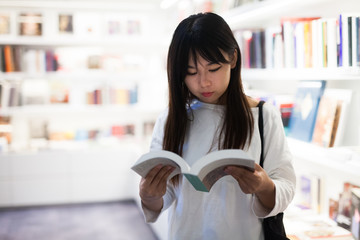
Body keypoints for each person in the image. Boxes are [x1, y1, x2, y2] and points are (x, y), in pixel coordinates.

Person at [138, 12, 296, 240]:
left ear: (233, 58)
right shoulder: (172, 119)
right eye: (191, 72)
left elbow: (286, 188)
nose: (204, 82)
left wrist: (263, 186)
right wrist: (149, 194)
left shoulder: (263, 116)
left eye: (213, 69)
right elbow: (166, 196)